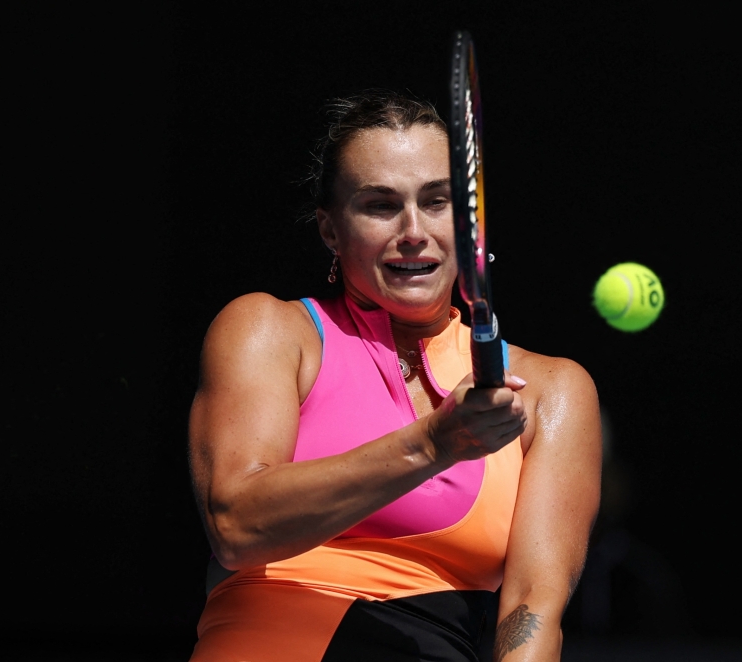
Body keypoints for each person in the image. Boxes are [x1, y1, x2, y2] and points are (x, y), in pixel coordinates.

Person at [188, 90, 602, 662]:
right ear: (330, 230)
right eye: (381, 205)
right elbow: (235, 526)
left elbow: (532, 609)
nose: (413, 230)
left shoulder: (553, 390)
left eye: (437, 202)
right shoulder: (267, 330)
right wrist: (435, 443)